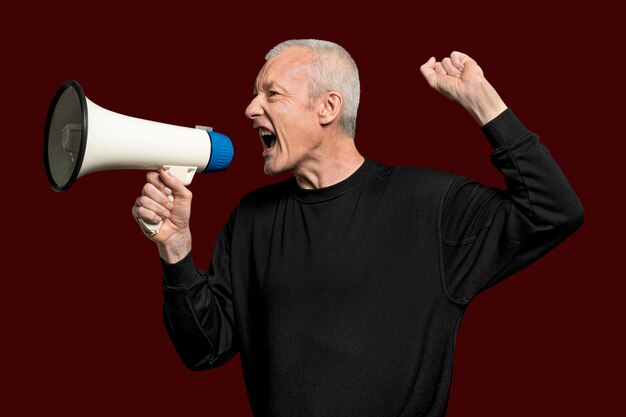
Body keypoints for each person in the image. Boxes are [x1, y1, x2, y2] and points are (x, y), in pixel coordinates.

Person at [131, 39, 584, 416]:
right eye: (255, 94)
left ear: (327, 107)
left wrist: (483, 101)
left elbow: (552, 211)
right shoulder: (252, 217)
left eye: (272, 94)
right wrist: (175, 251)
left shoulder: (428, 205)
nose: (250, 108)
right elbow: (204, 348)